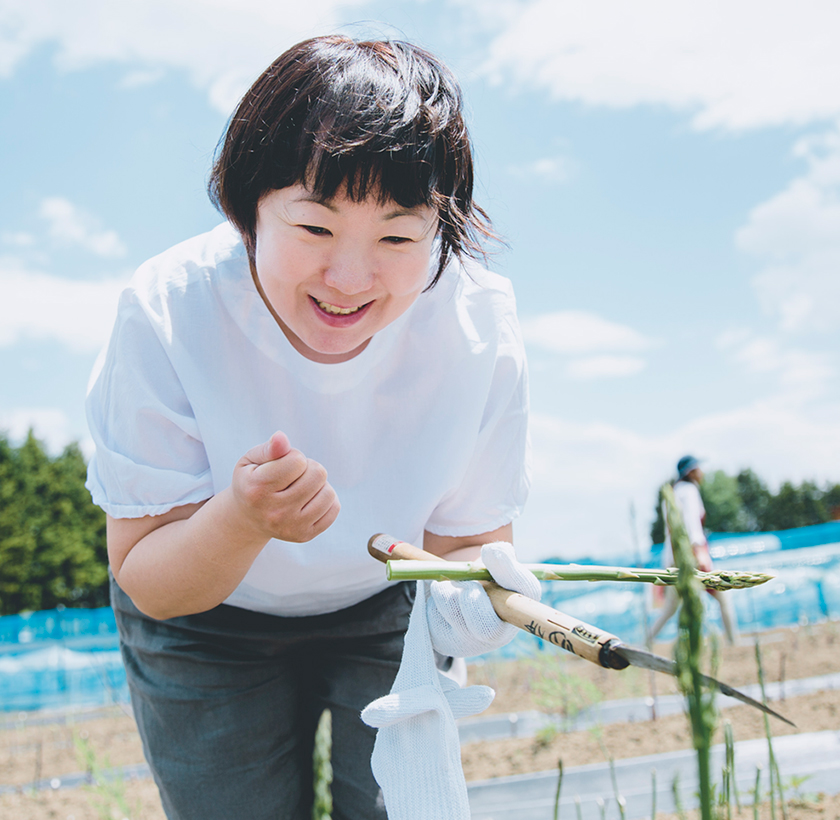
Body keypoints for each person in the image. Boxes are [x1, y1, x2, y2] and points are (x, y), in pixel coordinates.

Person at [85, 35, 537, 820]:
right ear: (246, 209)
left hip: (387, 607)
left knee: (401, 807)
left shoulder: (476, 324)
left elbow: (470, 543)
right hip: (206, 623)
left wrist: (474, 593)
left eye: (399, 237)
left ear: (441, 230)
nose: (351, 279)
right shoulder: (170, 308)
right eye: (316, 229)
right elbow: (148, 578)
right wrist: (242, 519)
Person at [649, 455, 738, 645]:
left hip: (673, 557)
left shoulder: (672, 493)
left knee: (671, 607)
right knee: (723, 596)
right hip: (691, 555)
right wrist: (699, 552)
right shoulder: (689, 491)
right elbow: (690, 524)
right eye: (699, 468)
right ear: (691, 471)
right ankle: (733, 642)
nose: (702, 472)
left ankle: (646, 641)